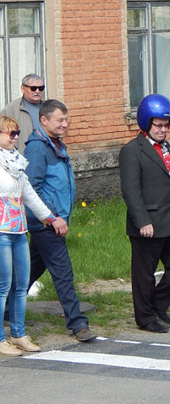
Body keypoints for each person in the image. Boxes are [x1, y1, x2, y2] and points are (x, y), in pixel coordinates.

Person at [119, 94, 170, 333]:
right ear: (146, 123)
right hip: (148, 222)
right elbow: (130, 189)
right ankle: (145, 318)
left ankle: (158, 304)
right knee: (144, 274)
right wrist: (142, 220)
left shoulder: (167, 148)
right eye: (158, 125)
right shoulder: (132, 150)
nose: (163, 130)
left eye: (166, 125)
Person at [25, 100, 96, 342]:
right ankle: (78, 324)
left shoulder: (54, 144)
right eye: (60, 120)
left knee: (32, 268)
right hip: (45, 222)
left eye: (66, 120)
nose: (65, 124)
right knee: (63, 271)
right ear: (44, 121)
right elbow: (32, 189)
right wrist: (53, 217)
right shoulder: (37, 148)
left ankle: (6, 307)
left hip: (50, 220)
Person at [0, 116, 62, 356]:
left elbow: (30, 195)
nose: (15, 137)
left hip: (19, 231)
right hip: (2, 233)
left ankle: (19, 334)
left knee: (20, 285)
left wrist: (50, 217)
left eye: (16, 133)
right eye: (9, 133)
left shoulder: (17, 164)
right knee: (3, 286)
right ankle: (1, 338)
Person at [1, 73, 46, 154]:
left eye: (41, 88)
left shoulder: (48, 108)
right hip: (21, 157)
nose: (37, 91)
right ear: (23, 89)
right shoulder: (10, 110)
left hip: (46, 157)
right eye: (33, 88)